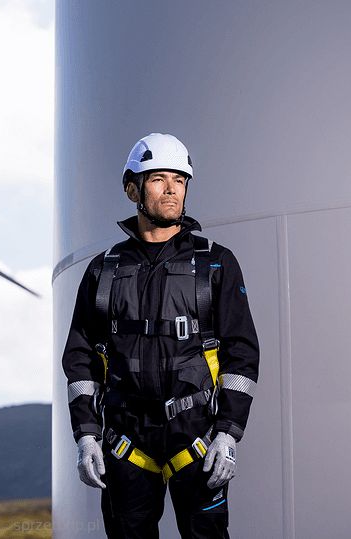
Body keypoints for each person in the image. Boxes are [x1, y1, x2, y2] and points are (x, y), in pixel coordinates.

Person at [61, 133, 259, 538]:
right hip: (124, 441)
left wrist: (228, 433)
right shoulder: (103, 271)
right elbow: (80, 360)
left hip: (197, 437)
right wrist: (86, 436)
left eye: (179, 180)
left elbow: (242, 354)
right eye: (158, 180)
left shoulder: (215, 263)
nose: (171, 190)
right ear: (132, 188)